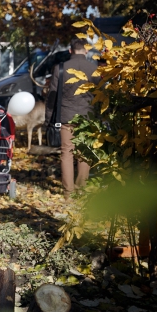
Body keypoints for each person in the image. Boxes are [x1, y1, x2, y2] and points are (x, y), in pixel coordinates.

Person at [45, 38, 95, 196]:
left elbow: (52, 96)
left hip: (66, 116)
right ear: (86, 50)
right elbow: (101, 95)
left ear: (70, 50)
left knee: (67, 153)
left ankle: (68, 193)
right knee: (84, 152)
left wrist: (48, 120)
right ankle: (81, 190)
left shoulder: (60, 68)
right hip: (87, 116)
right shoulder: (94, 69)